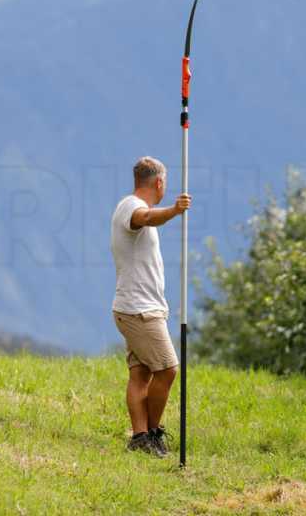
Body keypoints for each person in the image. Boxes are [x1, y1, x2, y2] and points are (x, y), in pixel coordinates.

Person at [110, 156, 192, 457]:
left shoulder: (128, 205)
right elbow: (145, 218)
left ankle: (140, 436)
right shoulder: (132, 207)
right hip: (139, 310)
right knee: (168, 369)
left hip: (136, 307)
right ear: (159, 183)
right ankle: (153, 433)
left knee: (141, 375)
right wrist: (174, 210)